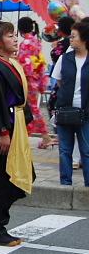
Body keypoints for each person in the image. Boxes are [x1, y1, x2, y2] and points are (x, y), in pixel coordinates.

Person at [0, 21, 35, 247]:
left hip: (15, 125)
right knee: (1, 178)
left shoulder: (11, 64)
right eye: (10, 36)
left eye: (15, 35)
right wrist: (2, 131)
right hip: (2, 129)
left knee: (19, 176)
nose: (15, 39)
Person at [51, 20, 89, 186]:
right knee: (64, 150)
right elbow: (59, 82)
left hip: (86, 112)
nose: (70, 39)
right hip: (65, 111)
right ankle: (65, 183)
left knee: (86, 151)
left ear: (84, 38)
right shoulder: (64, 59)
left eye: (74, 36)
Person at [17, 17, 54, 149]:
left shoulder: (25, 43)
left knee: (31, 109)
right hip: (36, 79)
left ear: (20, 29)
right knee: (31, 108)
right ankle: (30, 136)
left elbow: (25, 65)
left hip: (28, 80)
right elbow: (39, 62)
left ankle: (45, 136)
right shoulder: (36, 41)